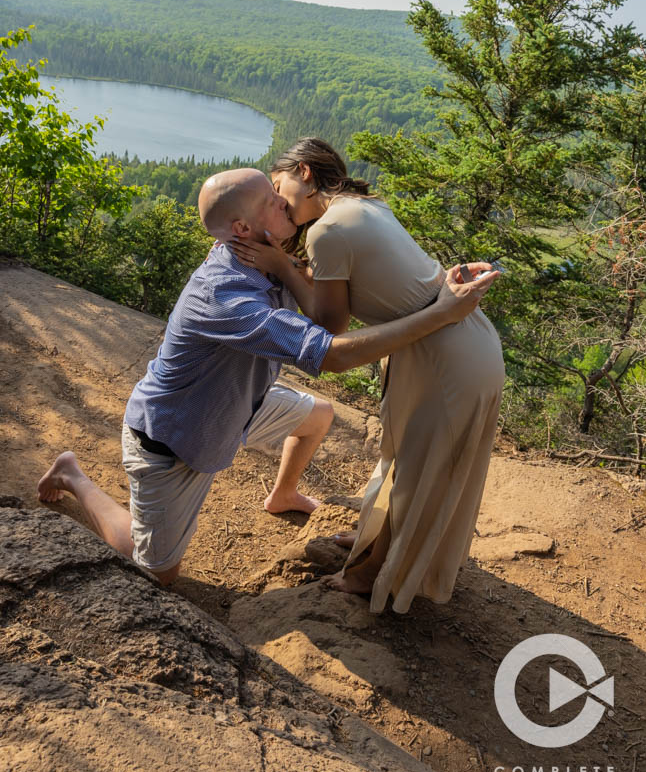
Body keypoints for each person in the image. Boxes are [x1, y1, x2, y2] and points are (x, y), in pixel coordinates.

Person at [38, 167, 497, 587]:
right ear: (242, 228)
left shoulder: (262, 255)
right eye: (271, 200)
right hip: (175, 440)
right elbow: (332, 354)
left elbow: (331, 299)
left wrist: (436, 287)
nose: (284, 202)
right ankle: (74, 476)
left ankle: (283, 494)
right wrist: (441, 313)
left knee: (317, 416)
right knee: (157, 575)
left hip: (239, 406)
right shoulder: (226, 296)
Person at [229, 143, 505, 614]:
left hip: (443, 356)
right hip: (457, 341)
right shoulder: (365, 206)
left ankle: (373, 575)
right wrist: (294, 265)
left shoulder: (330, 230)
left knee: (418, 469)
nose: (280, 203)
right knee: (403, 459)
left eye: (279, 190)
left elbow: (329, 323)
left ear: (304, 172)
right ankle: (377, 540)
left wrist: (280, 267)